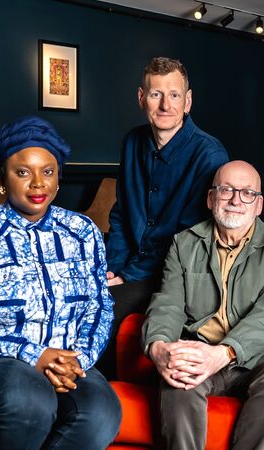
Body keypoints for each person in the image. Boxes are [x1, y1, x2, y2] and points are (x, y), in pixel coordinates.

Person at [0, 116, 121, 449]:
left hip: (66, 360)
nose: (38, 183)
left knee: (101, 411)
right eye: (23, 172)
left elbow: (99, 307)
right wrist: (32, 354)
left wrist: (78, 359)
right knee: (31, 400)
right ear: (2, 179)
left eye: (48, 171)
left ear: (59, 177)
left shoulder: (83, 232)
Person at [142, 160, 264, 450]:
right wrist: (158, 345)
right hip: (200, 349)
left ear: (259, 205)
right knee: (178, 375)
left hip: (262, 358)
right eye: (226, 190)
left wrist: (225, 352)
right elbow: (168, 303)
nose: (236, 201)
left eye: (247, 193)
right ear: (211, 198)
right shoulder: (184, 244)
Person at [106, 56, 229, 358]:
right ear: (141, 98)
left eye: (174, 95)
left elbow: (187, 239)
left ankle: (95, 386)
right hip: (131, 266)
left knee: (103, 310)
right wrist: (112, 268)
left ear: (188, 101)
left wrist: (127, 277)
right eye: (155, 94)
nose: (165, 105)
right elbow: (121, 216)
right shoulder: (132, 142)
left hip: (177, 273)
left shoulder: (209, 154)